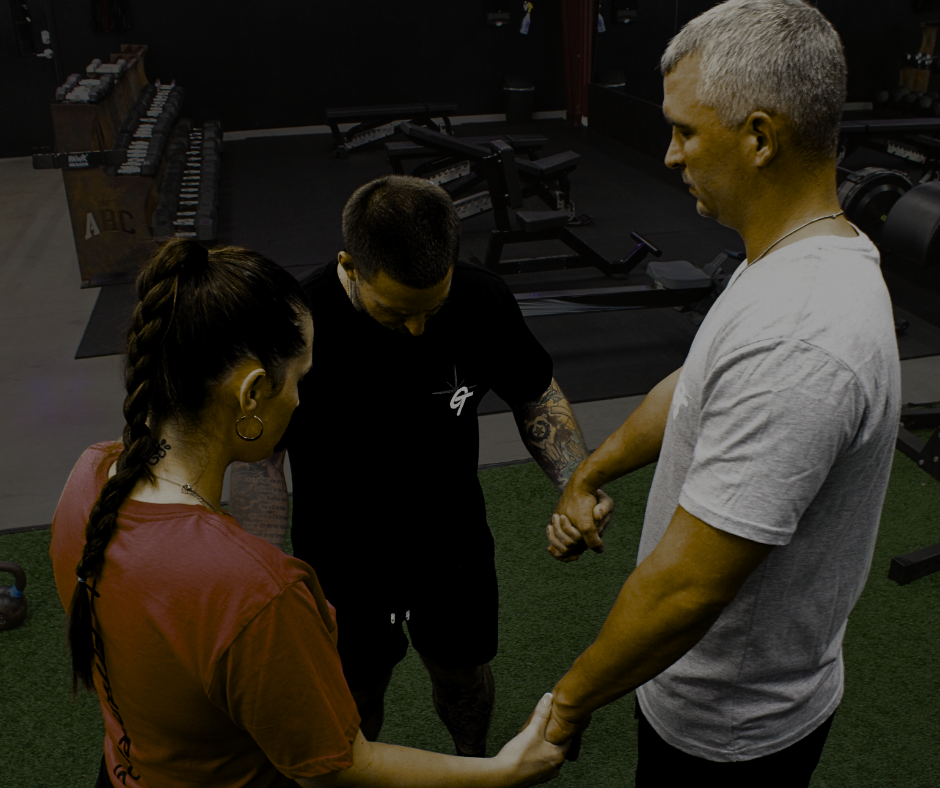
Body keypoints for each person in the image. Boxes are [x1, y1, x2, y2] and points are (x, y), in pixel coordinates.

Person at [537, 1, 902, 786]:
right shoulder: (784, 258)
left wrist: (565, 708)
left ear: (761, 137)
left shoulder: (800, 336)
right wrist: (591, 473)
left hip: (730, 728)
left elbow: (686, 588)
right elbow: (693, 383)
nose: (670, 155)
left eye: (686, 131)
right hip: (699, 693)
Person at [49, 239, 569, 787]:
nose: (300, 399)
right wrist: (504, 771)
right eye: (299, 380)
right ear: (252, 393)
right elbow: (337, 766)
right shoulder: (258, 593)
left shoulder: (88, 477)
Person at [227, 175, 615, 757]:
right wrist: (259, 569)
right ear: (349, 266)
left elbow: (534, 392)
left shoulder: (482, 299)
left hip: (450, 535)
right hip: (340, 548)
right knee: (354, 691)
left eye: (431, 310)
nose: (416, 328)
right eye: (395, 312)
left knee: (463, 673)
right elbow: (262, 463)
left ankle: (474, 768)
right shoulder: (291, 326)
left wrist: (576, 482)